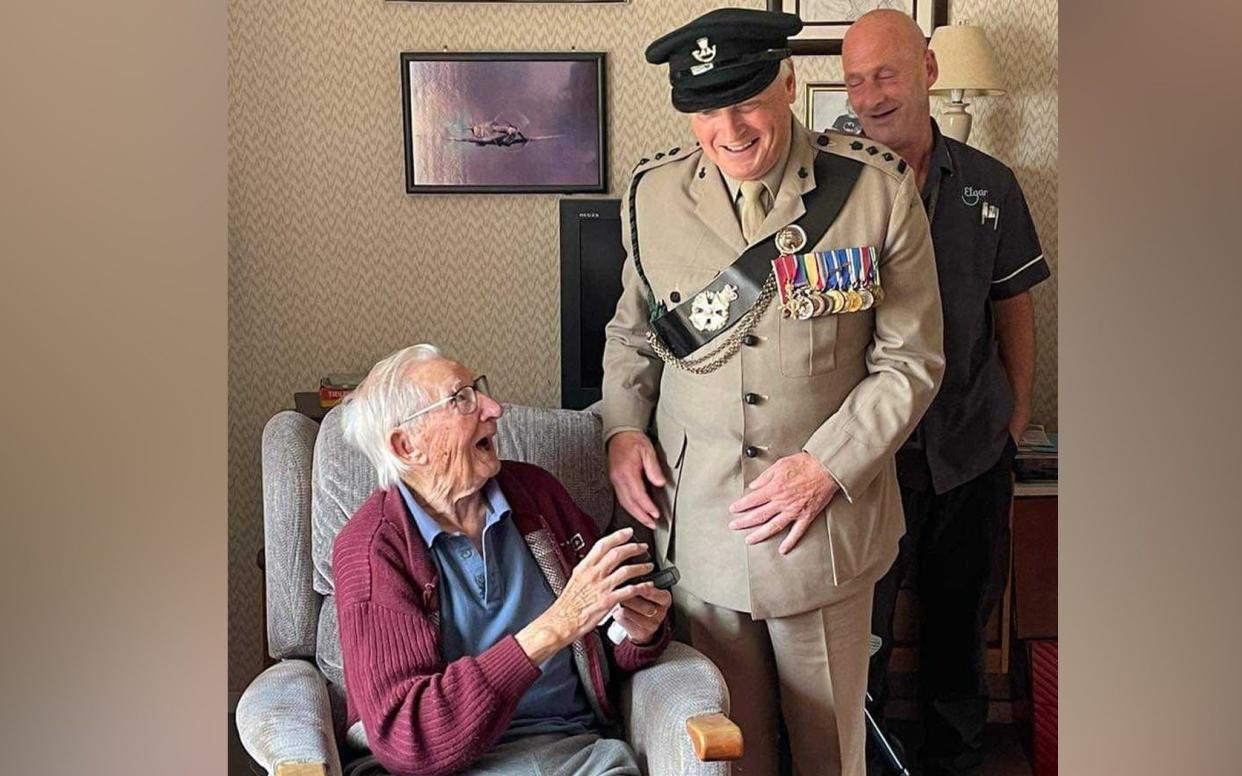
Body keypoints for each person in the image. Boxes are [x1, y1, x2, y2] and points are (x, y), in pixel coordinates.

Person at [600, 8, 945, 775]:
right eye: (705, 108)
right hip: (701, 528)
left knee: (830, 756)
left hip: (821, 529)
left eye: (747, 98)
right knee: (727, 756)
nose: (730, 127)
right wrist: (623, 429)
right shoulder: (651, 198)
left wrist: (826, 467)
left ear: (788, 82)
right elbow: (634, 334)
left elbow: (911, 362)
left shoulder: (875, 192)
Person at [841, 10, 1052, 775]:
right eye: (855, 79)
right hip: (866, 458)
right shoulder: (826, 186)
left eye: (886, 74)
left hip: (969, 447)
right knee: (855, 631)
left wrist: (1017, 414)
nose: (869, 96)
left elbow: (1014, 303)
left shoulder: (991, 185)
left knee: (960, 627)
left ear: (928, 72)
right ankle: (858, 758)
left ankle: (956, 761)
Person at [332, 344, 671, 776]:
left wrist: (637, 633)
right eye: (461, 399)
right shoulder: (371, 550)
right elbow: (409, 737)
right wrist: (559, 623)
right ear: (406, 445)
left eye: (480, 391)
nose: (494, 408)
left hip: (576, 754)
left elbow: (605, 639)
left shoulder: (539, 496)